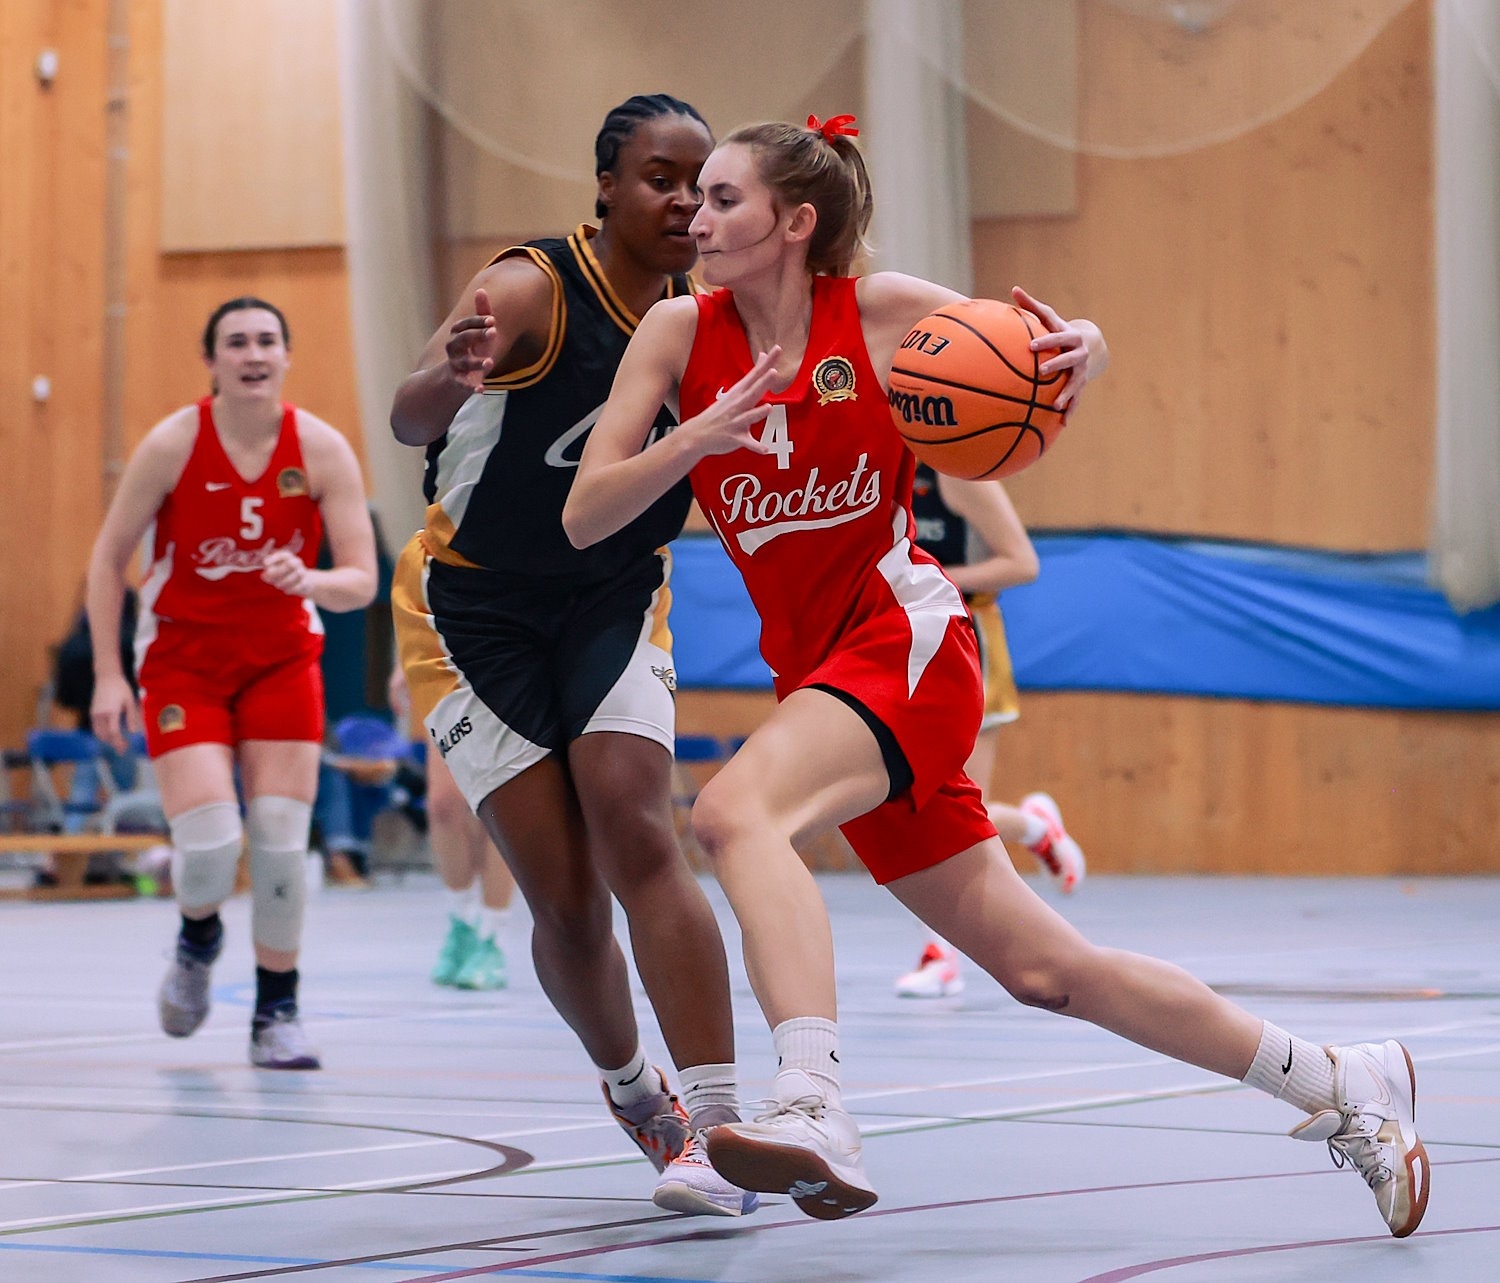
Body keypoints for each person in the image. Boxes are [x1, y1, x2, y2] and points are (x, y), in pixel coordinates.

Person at [563, 114, 1429, 1235]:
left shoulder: (878, 313)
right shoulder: (677, 332)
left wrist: (1087, 346)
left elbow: (1051, 346)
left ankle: (814, 1099)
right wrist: (692, 439)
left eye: (725, 198)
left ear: (796, 220)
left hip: (907, 641)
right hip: (815, 670)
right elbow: (586, 512)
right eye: (697, 197)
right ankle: (1342, 1078)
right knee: (1047, 970)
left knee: (733, 812)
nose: (697, 216)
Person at [388, 94, 753, 1217]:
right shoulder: (531, 287)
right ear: (605, 186)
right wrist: (451, 374)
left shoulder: (710, 318)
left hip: (612, 593)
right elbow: (407, 418)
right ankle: (638, 1092)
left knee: (639, 827)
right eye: (659, 178)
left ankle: (721, 1126)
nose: (683, 202)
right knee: (566, 897)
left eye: (701, 184)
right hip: (472, 609)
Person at [88, 297, 377, 1070]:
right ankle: (197, 937)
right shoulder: (172, 444)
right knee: (212, 843)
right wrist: (109, 675)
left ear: (287, 355)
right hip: (184, 662)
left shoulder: (321, 448)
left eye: (267, 340)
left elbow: (360, 580)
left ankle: (277, 1011)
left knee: (280, 840)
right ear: (211, 360)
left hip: (281, 660)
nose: (253, 353)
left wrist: (312, 579)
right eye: (237, 342)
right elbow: (107, 559)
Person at [894, 466, 1084, 999]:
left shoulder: (958, 470)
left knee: (955, 812)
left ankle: (941, 956)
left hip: (966, 638)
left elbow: (1022, 562)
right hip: (902, 643)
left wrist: (931, 577)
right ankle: (1034, 827)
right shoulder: (875, 463)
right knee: (910, 808)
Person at [389, 665, 515, 990]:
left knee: (495, 805)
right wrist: (404, 660)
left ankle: (492, 936)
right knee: (443, 804)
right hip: (448, 655)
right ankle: (463, 921)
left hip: (508, 654)